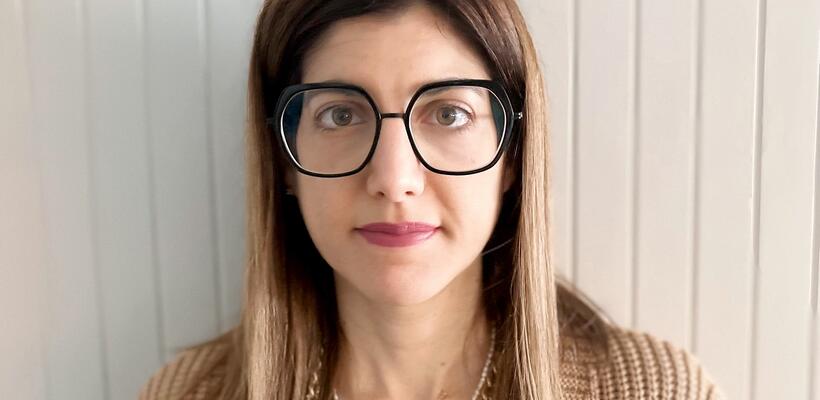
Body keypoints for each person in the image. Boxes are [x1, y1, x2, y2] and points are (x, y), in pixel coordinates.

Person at [139, 0, 725, 399]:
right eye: (340, 115)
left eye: (449, 114)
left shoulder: (653, 389)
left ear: (512, 155)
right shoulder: (186, 393)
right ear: (283, 160)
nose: (395, 180)